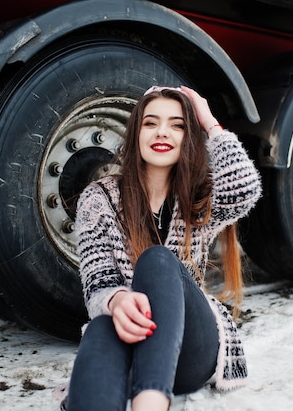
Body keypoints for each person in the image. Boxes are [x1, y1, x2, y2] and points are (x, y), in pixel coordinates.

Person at [60, 85, 262, 411]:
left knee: (157, 259)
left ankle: (151, 404)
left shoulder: (200, 197)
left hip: (190, 349)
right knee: (100, 326)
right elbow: (97, 280)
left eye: (178, 124)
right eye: (150, 123)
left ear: (189, 136)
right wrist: (117, 299)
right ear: (135, 133)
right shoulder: (98, 198)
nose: (162, 132)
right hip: (132, 343)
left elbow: (246, 187)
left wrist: (208, 120)